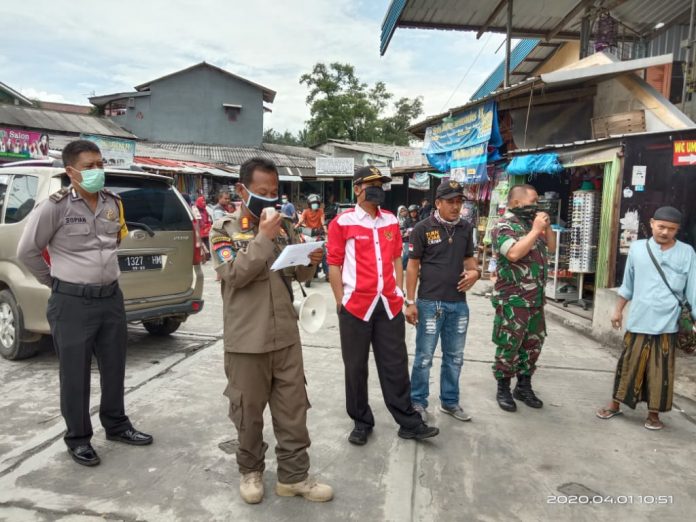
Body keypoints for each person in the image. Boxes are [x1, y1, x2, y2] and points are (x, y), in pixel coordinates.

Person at [17, 139, 152, 467]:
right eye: (90, 166)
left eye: (100, 164)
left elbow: (115, 239)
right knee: (75, 374)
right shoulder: (55, 206)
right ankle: (78, 438)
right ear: (71, 171)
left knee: (115, 366)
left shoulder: (112, 202)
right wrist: (55, 283)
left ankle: (117, 425)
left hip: (110, 299)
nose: (97, 171)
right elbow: (27, 251)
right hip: (72, 303)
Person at [209, 157, 332, 504]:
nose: (269, 198)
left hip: (285, 336)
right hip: (247, 340)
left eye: (274, 191)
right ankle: (250, 472)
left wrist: (310, 260)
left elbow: (297, 276)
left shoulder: (286, 225)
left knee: (294, 411)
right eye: (261, 191)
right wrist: (262, 238)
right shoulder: (224, 229)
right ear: (241, 190)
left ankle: (293, 477)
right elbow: (234, 274)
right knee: (248, 413)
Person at [327, 166, 439, 445]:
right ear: (357, 189)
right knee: (355, 367)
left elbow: (395, 262)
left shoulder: (390, 220)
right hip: (356, 305)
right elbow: (334, 265)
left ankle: (408, 420)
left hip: (387, 304)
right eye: (370, 184)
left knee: (395, 363)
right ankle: (361, 420)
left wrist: (400, 294)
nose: (377, 189)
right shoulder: (342, 223)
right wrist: (341, 301)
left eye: (381, 184)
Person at [596, 207, 696, 430]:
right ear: (651, 223)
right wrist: (617, 310)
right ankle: (615, 405)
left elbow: (693, 290)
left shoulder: (687, 252)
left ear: (677, 230)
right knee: (628, 365)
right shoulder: (638, 249)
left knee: (660, 372)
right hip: (639, 320)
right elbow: (628, 284)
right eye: (661, 226)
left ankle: (653, 415)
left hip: (668, 324)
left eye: (671, 229)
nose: (665, 232)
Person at [405, 180, 479, 423]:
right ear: (438, 203)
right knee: (424, 356)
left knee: (454, 356)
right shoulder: (423, 228)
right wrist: (410, 301)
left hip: (458, 304)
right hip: (429, 303)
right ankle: (417, 401)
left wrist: (475, 273)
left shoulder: (466, 229)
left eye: (459, 202)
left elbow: (469, 261)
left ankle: (450, 401)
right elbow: (413, 266)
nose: (456, 206)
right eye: (451, 202)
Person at [491, 184, 555, 412]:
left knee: (533, 344)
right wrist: (535, 230)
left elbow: (552, 248)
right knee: (509, 344)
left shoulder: (531, 224)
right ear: (517, 203)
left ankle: (524, 385)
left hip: (535, 299)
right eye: (533, 201)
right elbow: (514, 253)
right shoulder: (503, 226)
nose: (537, 206)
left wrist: (544, 228)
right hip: (512, 300)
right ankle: (503, 387)